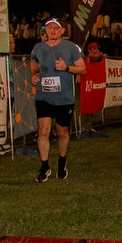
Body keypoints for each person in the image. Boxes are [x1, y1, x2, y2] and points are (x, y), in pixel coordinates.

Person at [29, 17, 85, 182]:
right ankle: (45, 166)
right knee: (43, 131)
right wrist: (35, 74)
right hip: (43, 96)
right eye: (49, 28)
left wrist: (67, 67)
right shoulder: (38, 47)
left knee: (62, 132)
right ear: (45, 31)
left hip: (64, 98)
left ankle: (62, 161)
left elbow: (82, 69)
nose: (52, 30)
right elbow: (34, 63)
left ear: (62, 31)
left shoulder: (71, 47)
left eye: (56, 28)